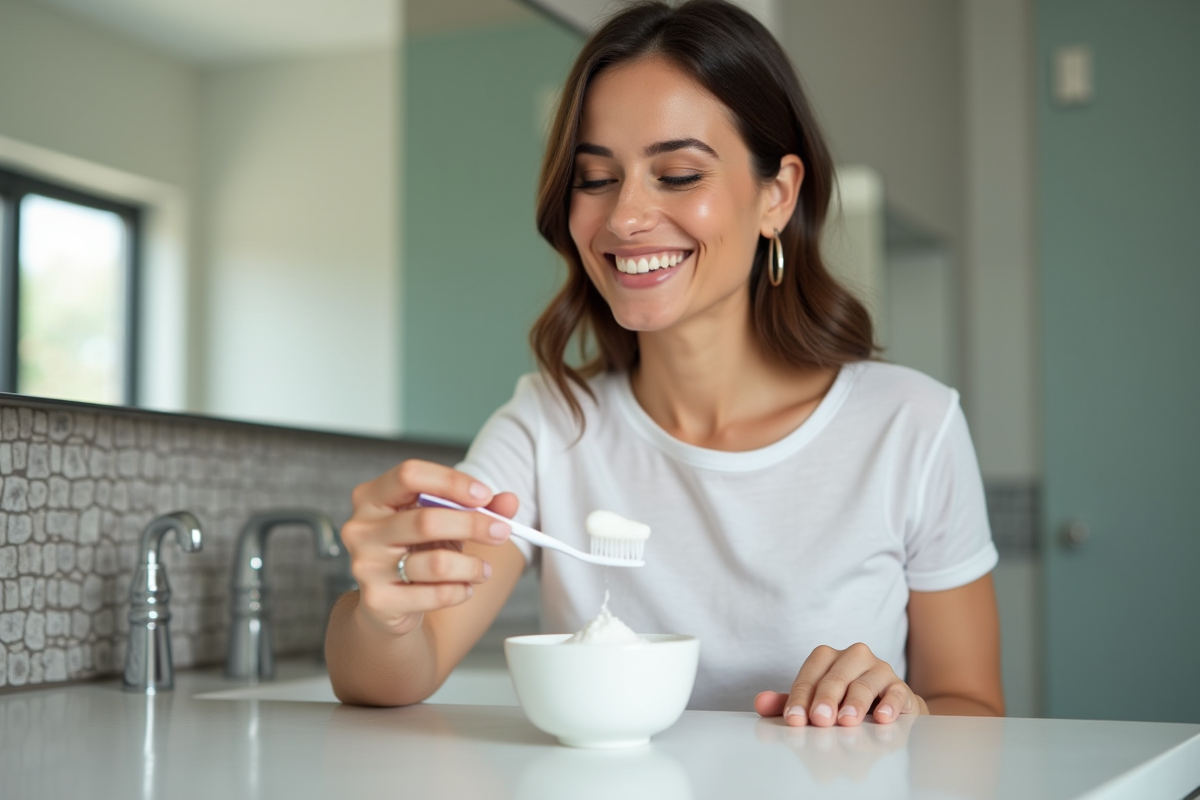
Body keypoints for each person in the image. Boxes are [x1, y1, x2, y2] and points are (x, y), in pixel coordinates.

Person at [326, 0, 1005, 725]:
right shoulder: (550, 426)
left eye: (678, 174)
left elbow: (973, 708)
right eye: (595, 179)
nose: (623, 217)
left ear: (777, 195)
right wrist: (385, 613)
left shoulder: (913, 427)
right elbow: (400, 671)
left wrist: (907, 711)